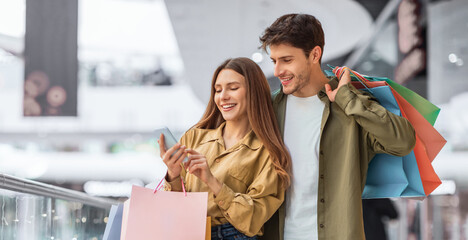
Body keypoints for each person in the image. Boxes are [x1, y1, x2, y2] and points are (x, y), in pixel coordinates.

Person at [258, 14, 416, 240]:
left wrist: (348, 100)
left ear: (314, 54)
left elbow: (403, 142)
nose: (277, 71)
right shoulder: (269, 110)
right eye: (274, 61)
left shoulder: (350, 105)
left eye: (287, 60)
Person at [158, 57, 292, 239]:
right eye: (218, 90)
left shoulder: (268, 152)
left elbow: (254, 218)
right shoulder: (194, 137)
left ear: (254, 92)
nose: (222, 97)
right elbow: (172, 208)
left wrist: (212, 181)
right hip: (188, 232)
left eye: (233, 88)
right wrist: (173, 175)